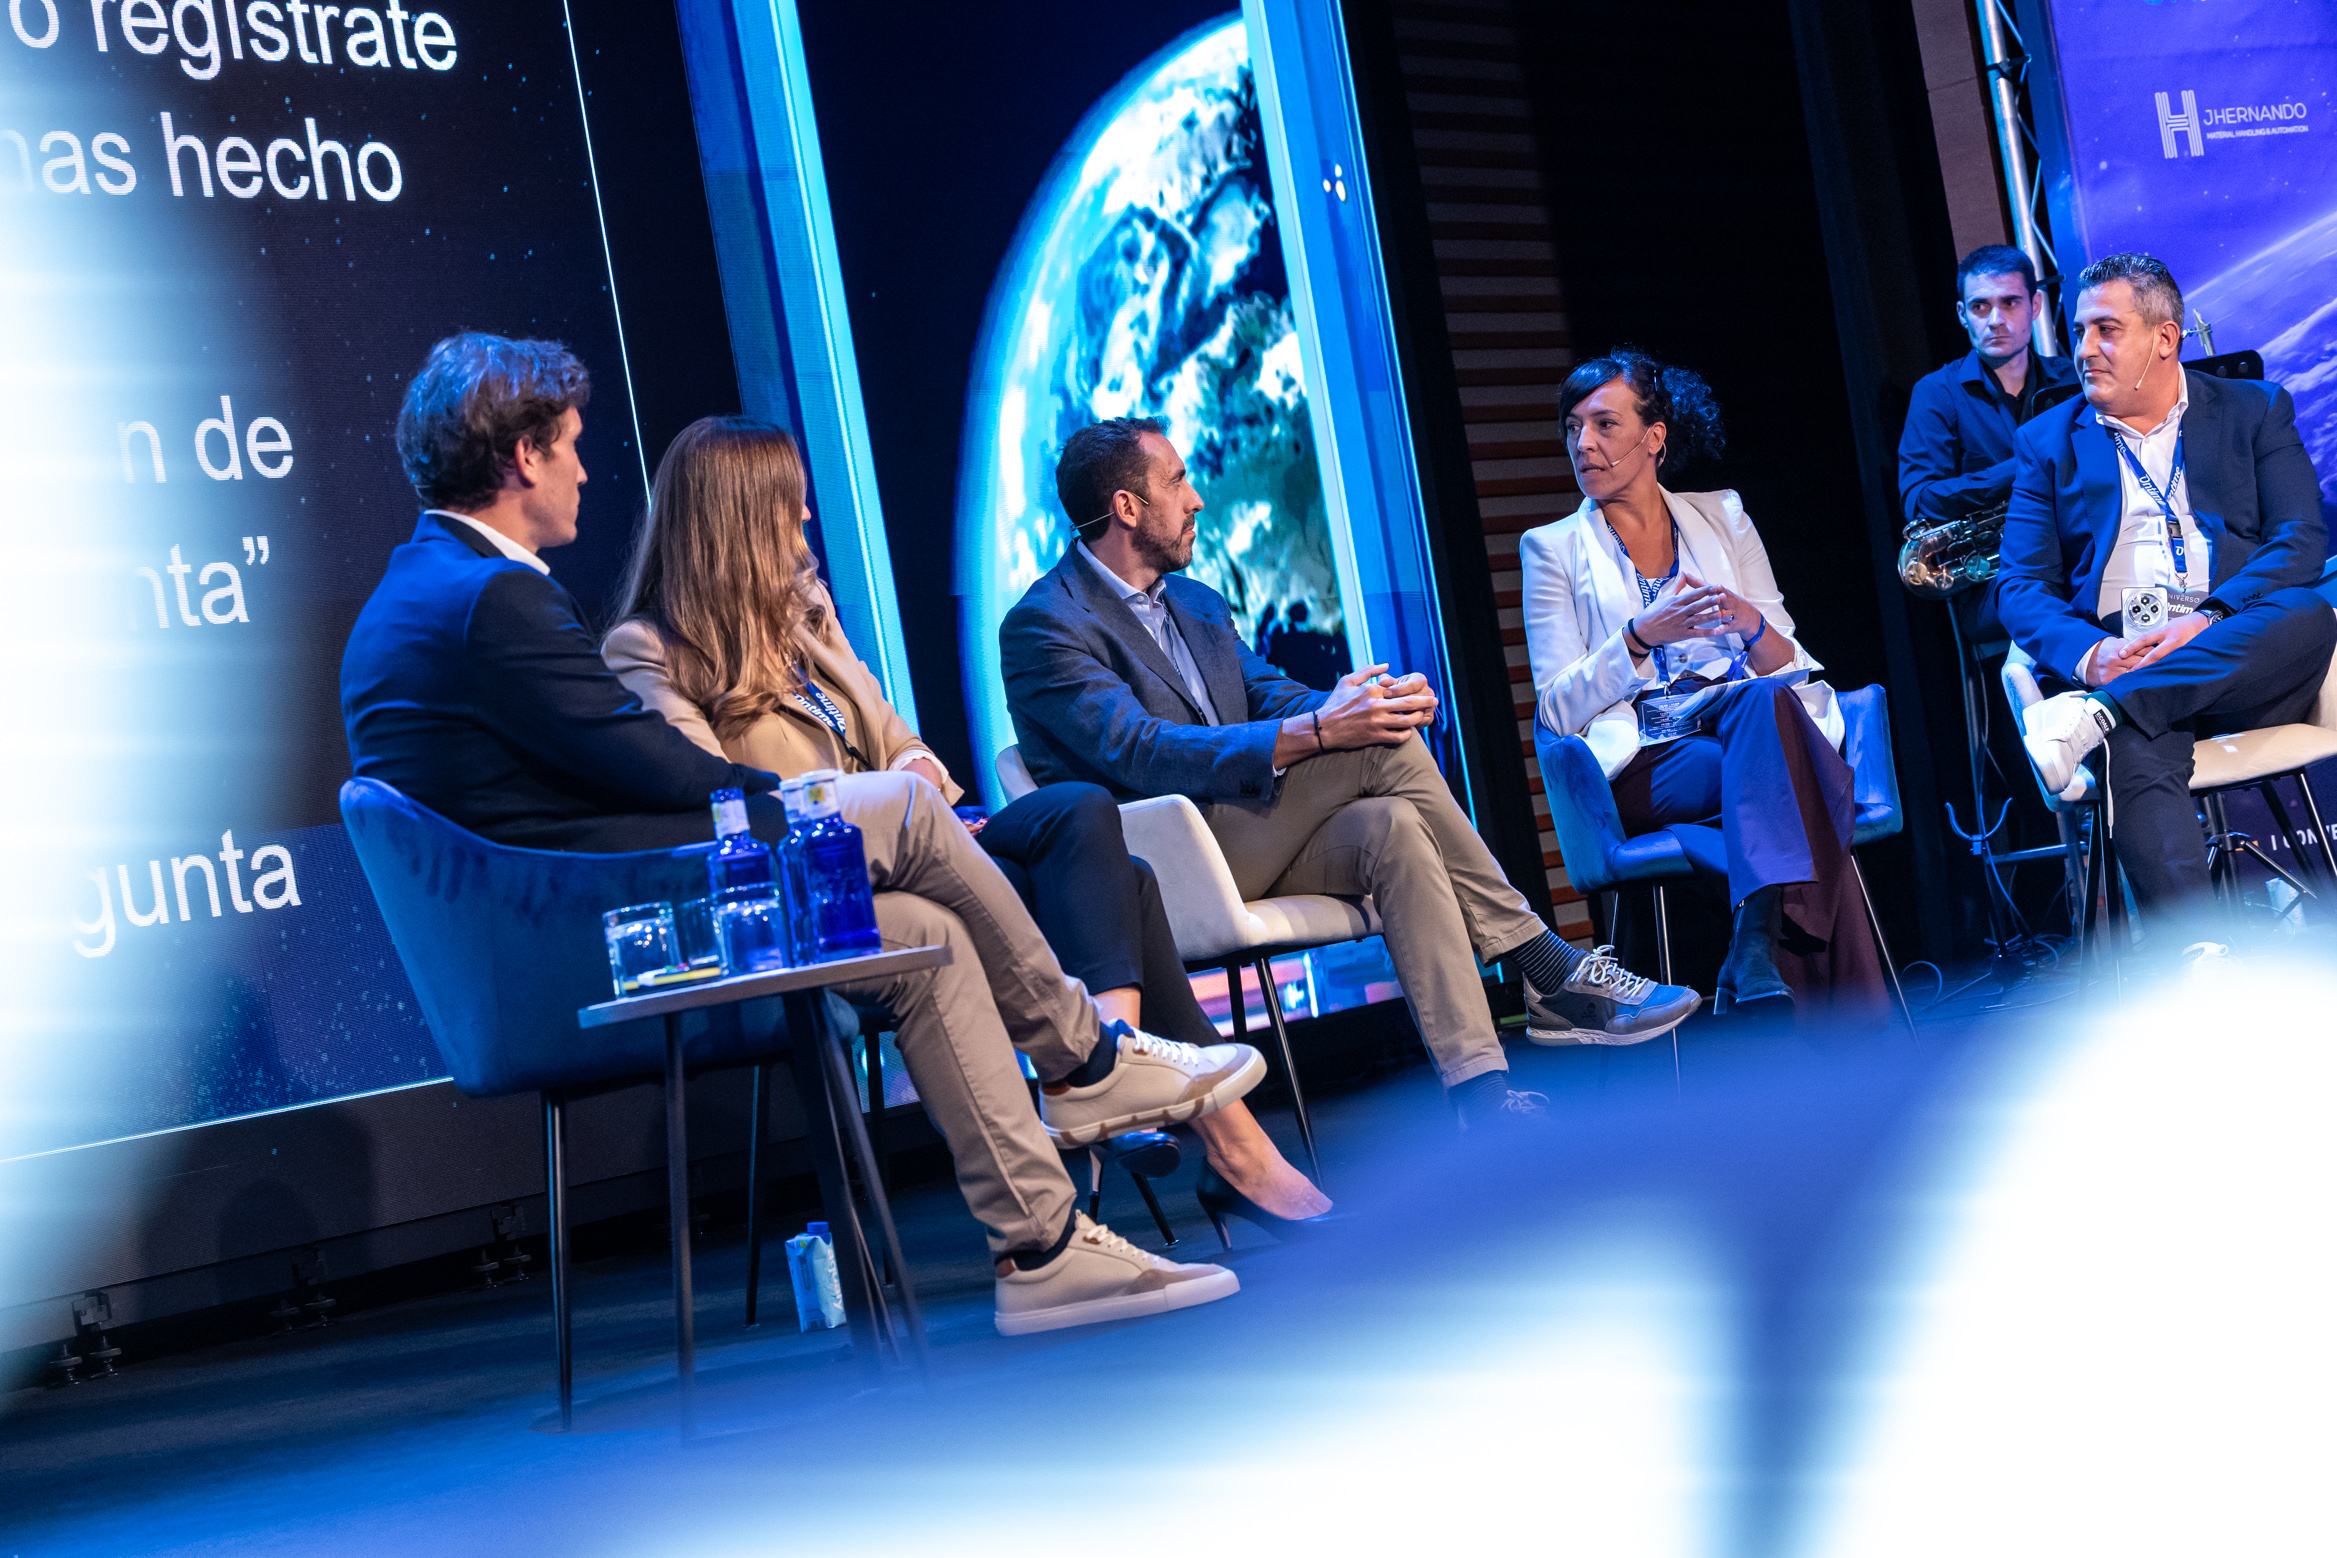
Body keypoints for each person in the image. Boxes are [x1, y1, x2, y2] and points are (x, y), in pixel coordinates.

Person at [341, 333, 1267, 1334]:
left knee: (923, 930)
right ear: (524, 456)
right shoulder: (494, 597)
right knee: (903, 811)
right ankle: (1087, 1063)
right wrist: (796, 804)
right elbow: (649, 765)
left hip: (582, 913)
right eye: (568, 446)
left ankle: (1039, 1248)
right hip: (609, 931)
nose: (584, 470)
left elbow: (597, 782)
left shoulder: (427, 587)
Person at [599, 415, 1331, 1236]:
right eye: (789, 502)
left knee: (1082, 814)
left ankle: (1115, 1069)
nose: (805, 517)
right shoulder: (647, 651)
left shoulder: (804, 616)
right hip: (833, 893)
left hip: (930, 842)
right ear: (734, 516)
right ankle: (1186, 1123)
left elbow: (896, 736)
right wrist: (892, 799)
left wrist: (913, 770)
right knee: (1121, 879)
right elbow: (722, 807)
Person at [998, 417, 1700, 1134]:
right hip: (1162, 871)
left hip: (1250, 836)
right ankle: (1544, 964)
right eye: (1176, 481)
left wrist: (1366, 702)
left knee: (1393, 824)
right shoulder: (1046, 625)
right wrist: (1326, 732)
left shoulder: (1196, 602)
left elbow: (1270, 695)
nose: (1196, 498)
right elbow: (1141, 752)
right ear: (1126, 506)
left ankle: (1483, 1097)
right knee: (1380, 750)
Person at [1519, 350, 1886, 1015]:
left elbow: (1785, 659)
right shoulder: (1552, 549)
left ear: (1653, 437)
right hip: (1644, 761)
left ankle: (1754, 947)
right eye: (1573, 428)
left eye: (1604, 424)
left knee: (1763, 706)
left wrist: (1749, 624)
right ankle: (1794, 976)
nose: (1583, 443)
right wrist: (1637, 637)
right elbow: (1554, 709)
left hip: (1737, 732)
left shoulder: (1723, 516)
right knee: (1796, 777)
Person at [2001, 253, 2334, 936]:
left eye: (2106, 330)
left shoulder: (2253, 410)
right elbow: (2020, 586)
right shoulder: (2046, 442)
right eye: (2078, 331)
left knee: (2307, 611)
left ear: (2164, 338)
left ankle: (2099, 712)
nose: (2082, 350)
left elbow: (2300, 540)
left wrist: (2205, 620)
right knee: (2135, 734)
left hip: (2238, 653)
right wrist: (2091, 655)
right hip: (2123, 651)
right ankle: (2197, 957)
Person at [1899, 245, 2084, 643]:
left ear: (2035, 305)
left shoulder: (2073, 381)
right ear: (1962, 314)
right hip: (1995, 585)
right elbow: (1919, 499)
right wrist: (2026, 466)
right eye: (1980, 306)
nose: (1996, 320)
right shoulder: (1937, 393)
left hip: (2078, 561)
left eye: (2010, 303)